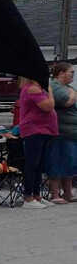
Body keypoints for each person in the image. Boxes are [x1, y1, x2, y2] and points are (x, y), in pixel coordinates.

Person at [16, 75, 58, 208]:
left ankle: (36, 195)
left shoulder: (39, 88)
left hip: (45, 130)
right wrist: (50, 90)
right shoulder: (32, 88)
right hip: (34, 130)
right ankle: (28, 197)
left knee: (39, 165)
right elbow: (48, 106)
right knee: (32, 164)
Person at [47, 61, 77, 203]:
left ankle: (68, 193)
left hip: (71, 133)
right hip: (60, 133)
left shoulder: (68, 88)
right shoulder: (55, 87)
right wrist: (73, 93)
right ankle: (55, 194)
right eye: (71, 72)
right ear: (61, 73)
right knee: (57, 162)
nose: (73, 75)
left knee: (70, 163)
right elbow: (67, 101)